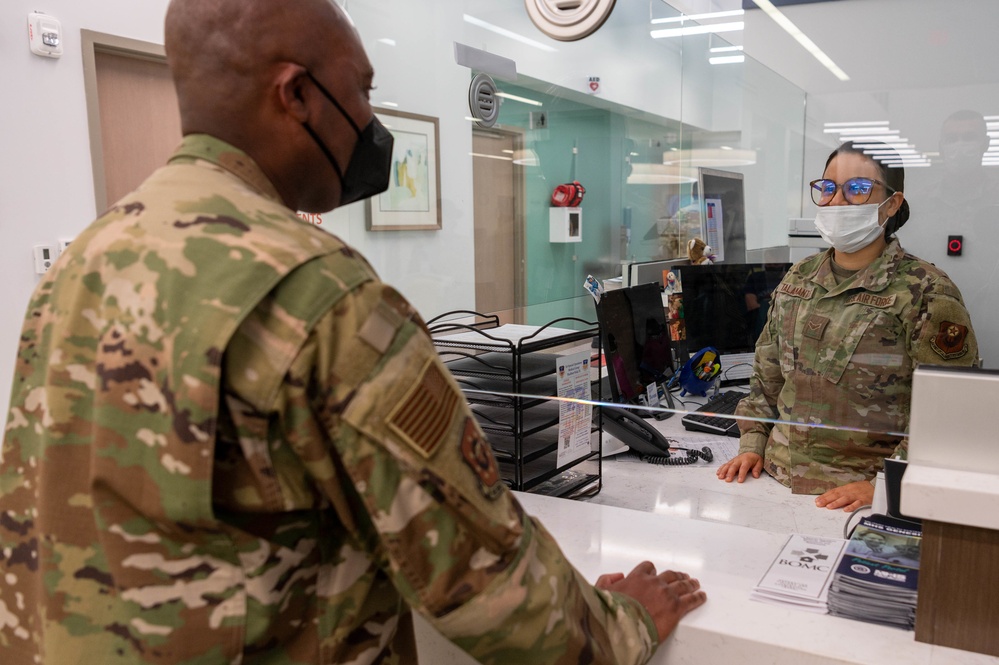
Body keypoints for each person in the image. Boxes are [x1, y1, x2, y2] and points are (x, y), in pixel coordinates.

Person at [0, 1, 705, 663]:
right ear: (296, 95)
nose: (370, 119)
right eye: (361, 91)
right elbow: (482, 578)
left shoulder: (81, 262)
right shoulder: (319, 291)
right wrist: (624, 621)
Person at [717, 141, 979, 512]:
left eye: (857, 189)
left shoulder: (926, 290)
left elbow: (950, 406)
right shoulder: (799, 277)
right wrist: (752, 443)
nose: (837, 201)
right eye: (827, 189)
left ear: (891, 204)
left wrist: (888, 485)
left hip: (862, 497)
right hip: (771, 481)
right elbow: (767, 375)